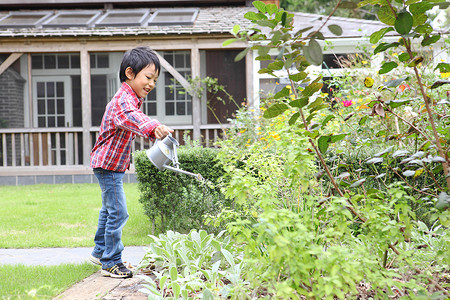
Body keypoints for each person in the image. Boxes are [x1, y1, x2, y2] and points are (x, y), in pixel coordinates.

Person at [89, 46, 173, 278]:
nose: (151, 84)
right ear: (129, 73)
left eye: (155, 80)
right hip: (107, 165)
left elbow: (132, 119)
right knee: (118, 212)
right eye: (148, 77)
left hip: (109, 164)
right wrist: (154, 126)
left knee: (108, 210)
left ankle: (100, 251)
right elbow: (131, 118)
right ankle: (111, 262)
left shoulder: (132, 99)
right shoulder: (123, 101)